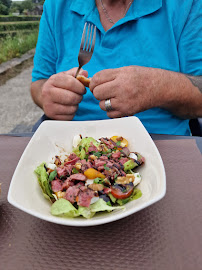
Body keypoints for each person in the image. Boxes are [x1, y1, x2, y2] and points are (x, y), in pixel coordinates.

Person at [31, 0, 202, 135]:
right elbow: (39, 82)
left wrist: (157, 86)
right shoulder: (56, 5)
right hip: (71, 144)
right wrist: (47, 95)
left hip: (161, 143)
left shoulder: (186, 5)